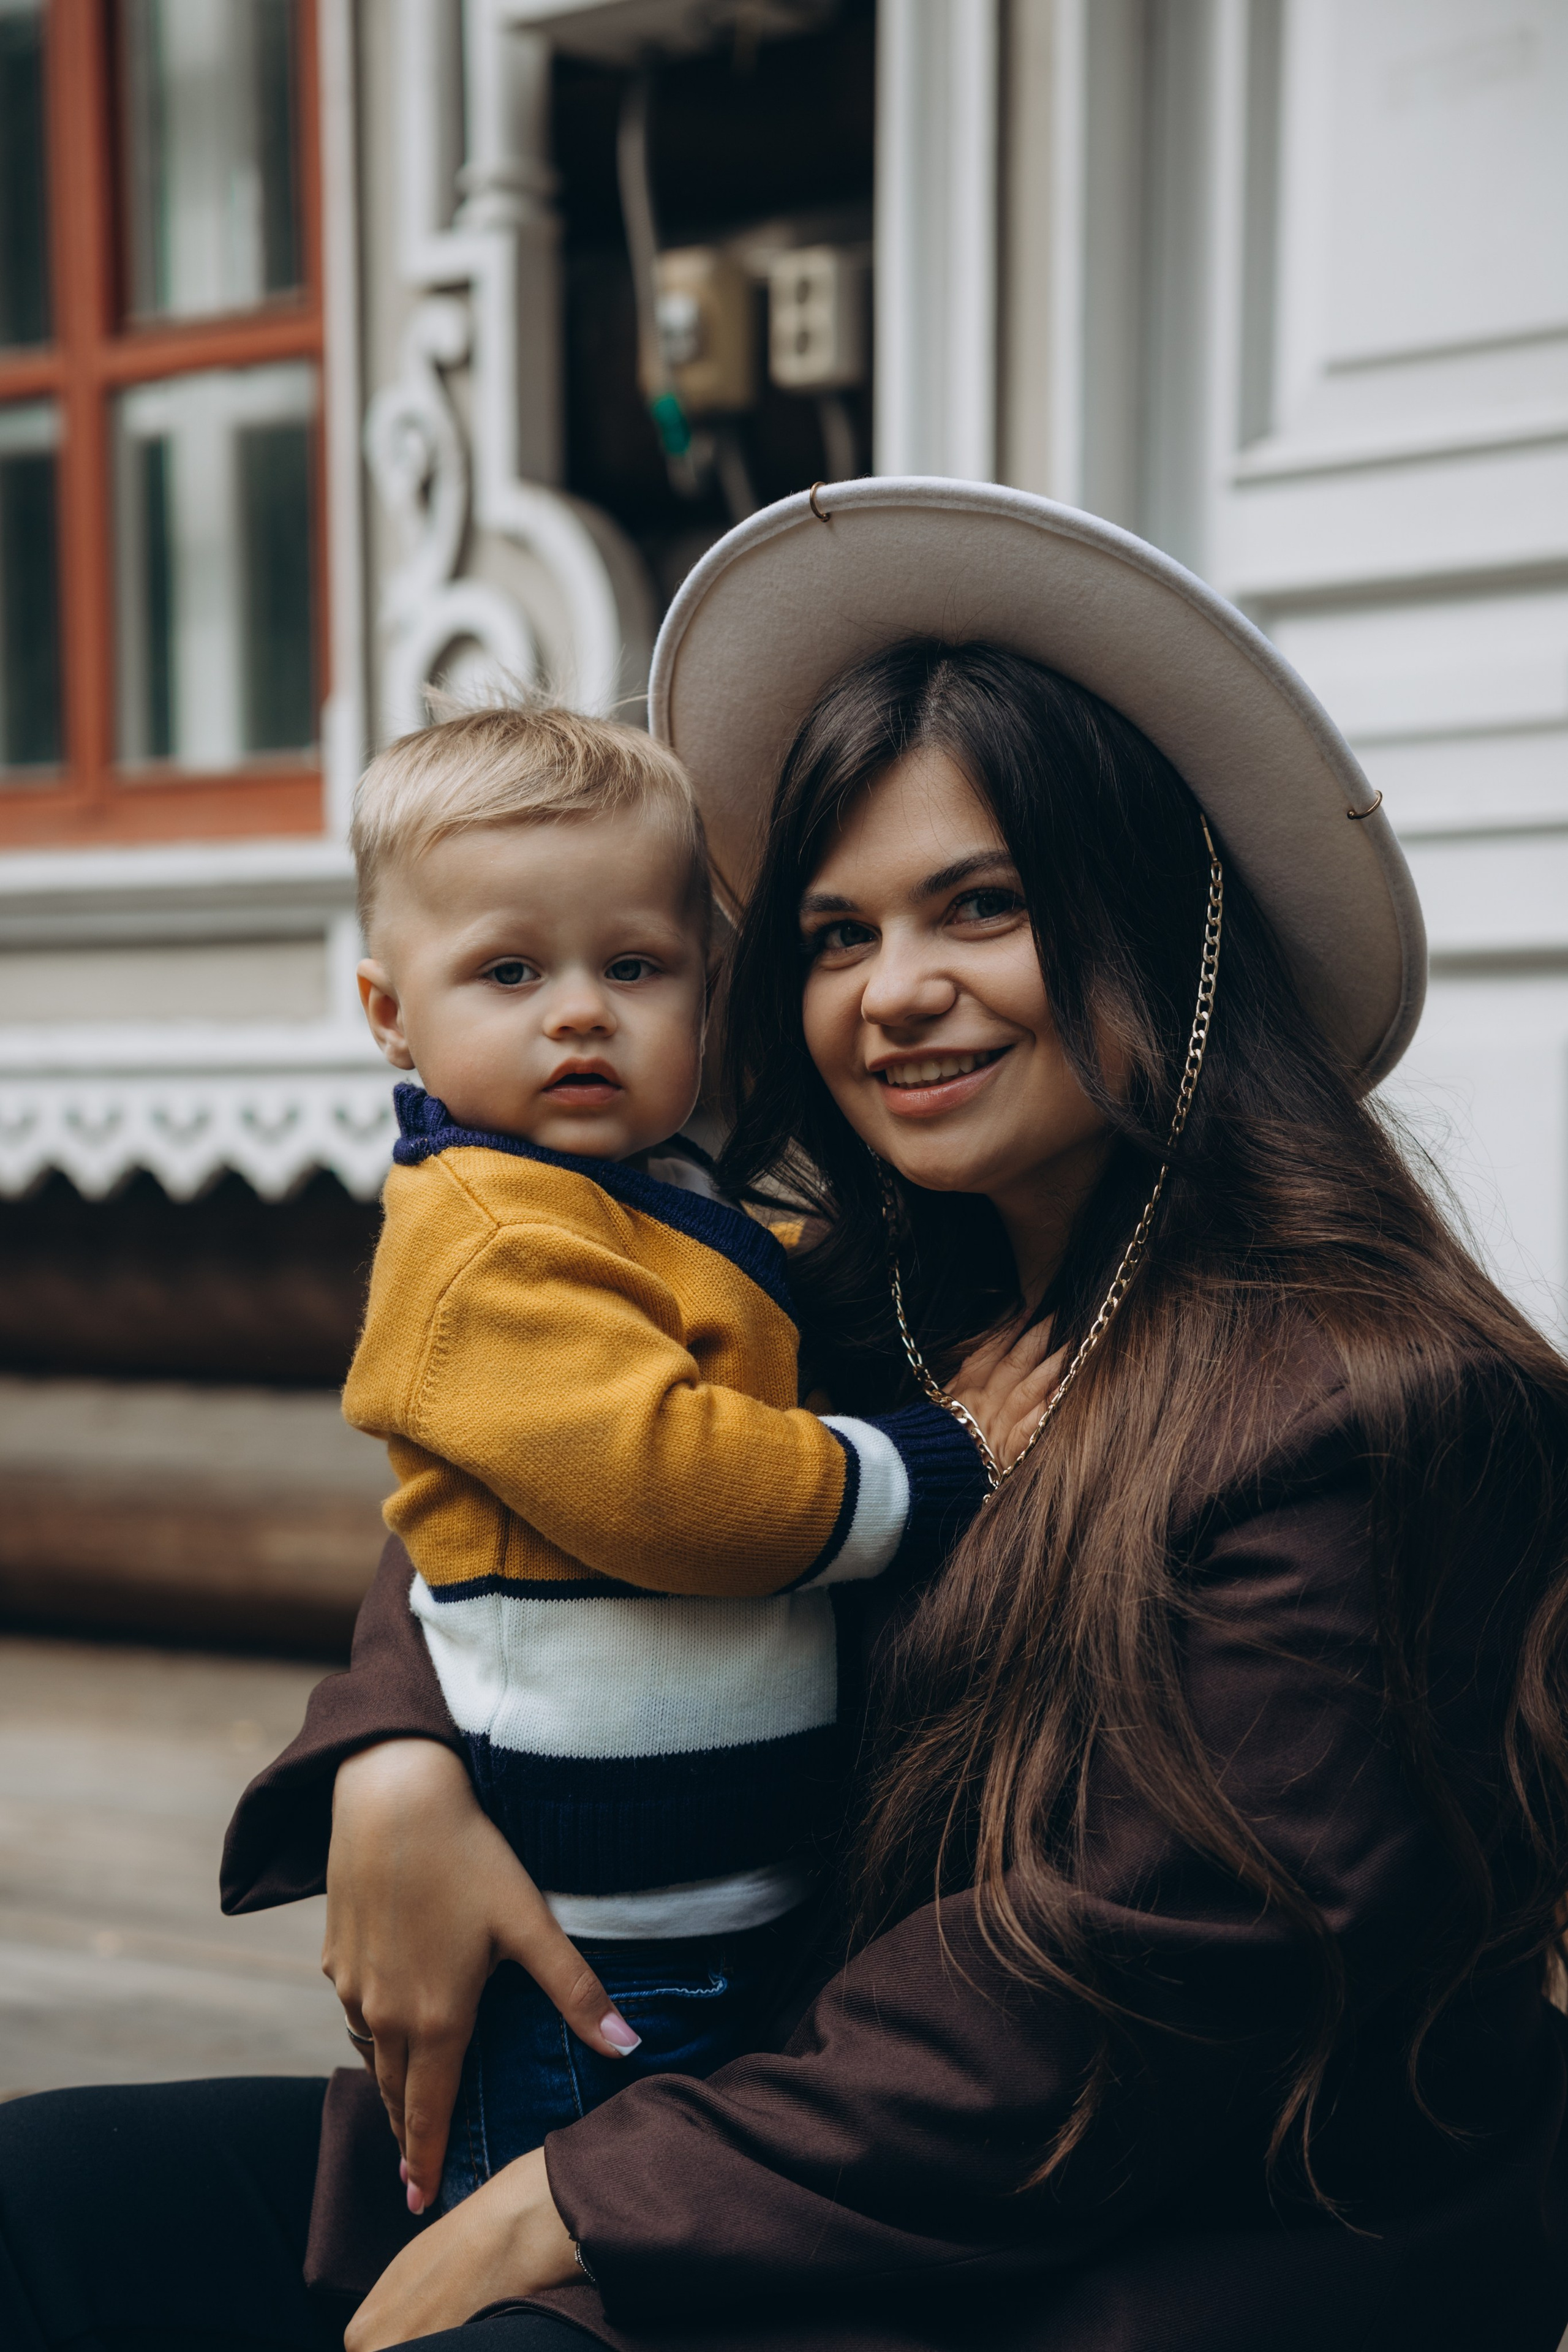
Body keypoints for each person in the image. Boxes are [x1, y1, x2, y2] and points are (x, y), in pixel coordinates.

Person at [4, 481, 1567, 2352]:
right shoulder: (859, 1302)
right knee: (51, 2207)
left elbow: (1140, 1986)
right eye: (836, 934)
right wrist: (394, 1757)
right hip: (725, 2083)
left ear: (1161, 930)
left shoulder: (1376, 1408)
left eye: (980, 908)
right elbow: (547, 1480)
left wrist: (581, 2203)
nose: (897, 993)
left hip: (1088, 2232)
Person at [337, 703, 1031, 2211]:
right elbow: (666, 1481)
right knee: (555, 2223)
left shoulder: (646, 1198)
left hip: (728, 1916)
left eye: (633, 969)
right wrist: (948, 1455)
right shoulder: (485, 1232)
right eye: (511, 972)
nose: (579, 1013)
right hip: (588, 1941)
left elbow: (735, 1303)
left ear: (709, 993)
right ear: (390, 1013)